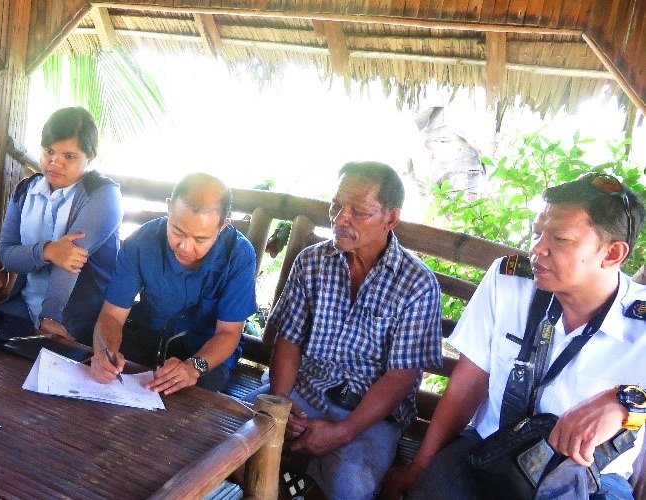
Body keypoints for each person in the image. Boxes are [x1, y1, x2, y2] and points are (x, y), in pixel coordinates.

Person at [381, 173, 646, 500]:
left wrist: (628, 403)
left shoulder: (640, 322)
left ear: (613, 253)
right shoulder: (508, 282)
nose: (537, 250)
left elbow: (635, 403)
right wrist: (420, 466)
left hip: (587, 477)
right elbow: (469, 382)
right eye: (537, 234)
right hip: (486, 454)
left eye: (560, 239)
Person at [250, 161, 443, 500]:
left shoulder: (417, 284)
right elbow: (289, 340)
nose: (340, 218)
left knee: (350, 486)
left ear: (391, 218)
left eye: (358, 211)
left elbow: (400, 378)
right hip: (301, 395)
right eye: (337, 204)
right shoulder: (313, 261)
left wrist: (341, 432)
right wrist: (281, 407)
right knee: (237, 445)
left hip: (367, 417)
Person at [89, 172, 257, 393]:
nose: (185, 247)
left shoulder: (239, 255)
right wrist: (104, 352)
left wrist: (193, 367)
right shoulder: (140, 243)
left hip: (206, 352)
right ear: (169, 208)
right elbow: (112, 315)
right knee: (108, 378)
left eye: (200, 239)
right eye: (177, 230)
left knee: (199, 395)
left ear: (223, 226)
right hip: (149, 337)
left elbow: (228, 333)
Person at [0, 106, 122, 345]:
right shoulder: (26, 190)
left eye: (69, 156)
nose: (55, 162)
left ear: (90, 158)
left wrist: (50, 317)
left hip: (76, 318)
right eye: (49, 151)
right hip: (24, 307)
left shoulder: (102, 195)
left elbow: (70, 262)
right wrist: (47, 251)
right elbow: (7, 256)